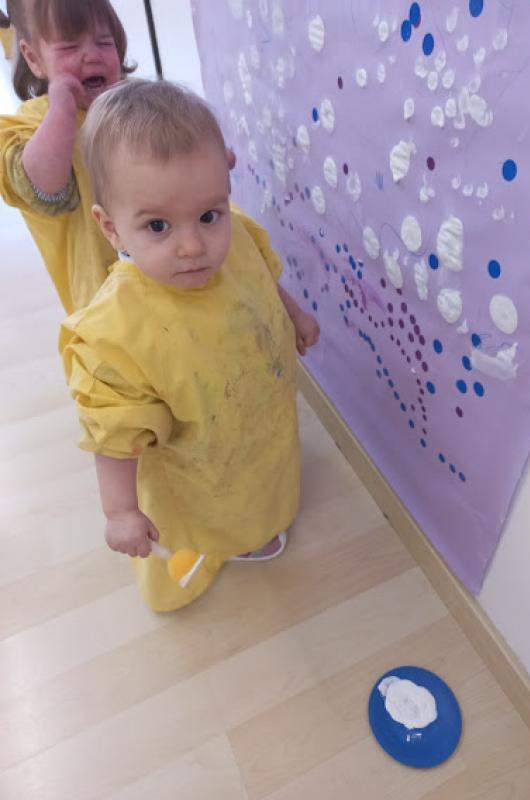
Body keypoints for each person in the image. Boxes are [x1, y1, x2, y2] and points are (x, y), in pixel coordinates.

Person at [60, 79, 320, 612]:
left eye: (208, 215)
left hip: (257, 421)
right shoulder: (117, 332)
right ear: (111, 228)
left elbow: (261, 278)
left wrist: (293, 314)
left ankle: (256, 522)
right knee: (211, 507)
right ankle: (221, 543)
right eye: (158, 225)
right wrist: (120, 512)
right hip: (195, 462)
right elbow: (114, 435)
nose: (193, 246)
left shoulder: (236, 237)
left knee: (262, 478)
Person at [0, 0, 134, 313]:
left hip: (173, 268)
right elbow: (43, 189)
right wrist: (62, 109)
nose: (92, 55)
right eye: (70, 47)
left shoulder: (138, 102)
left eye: (104, 43)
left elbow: (180, 146)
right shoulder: (30, 125)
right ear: (34, 59)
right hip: (106, 299)